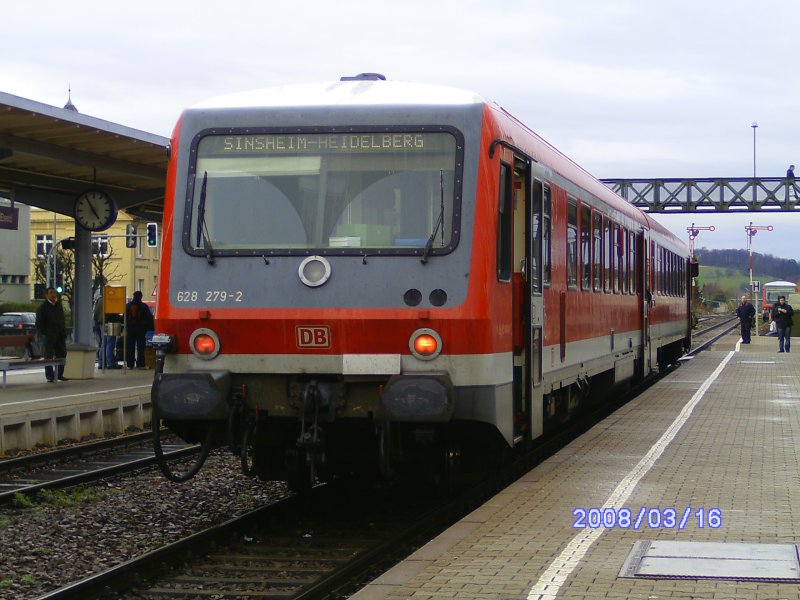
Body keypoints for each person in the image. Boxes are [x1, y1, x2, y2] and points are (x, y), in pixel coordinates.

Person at [35, 287, 67, 382]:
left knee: (62, 354)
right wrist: (44, 333)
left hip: (60, 335)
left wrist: (63, 332)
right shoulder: (43, 307)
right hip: (49, 336)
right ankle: (50, 376)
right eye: (51, 293)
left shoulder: (58, 306)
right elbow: (39, 323)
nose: (53, 295)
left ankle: (59, 374)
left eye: (54, 293)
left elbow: (62, 320)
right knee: (48, 356)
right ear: (46, 295)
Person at [125, 291, 153, 369]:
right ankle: (140, 364)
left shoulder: (127, 306)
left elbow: (124, 317)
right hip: (141, 329)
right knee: (141, 347)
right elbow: (149, 318)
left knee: (130, 346)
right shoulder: (144, 306)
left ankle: (130, 364)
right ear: (140, 297)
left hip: (130, 328)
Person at [93, 296, 121, 369]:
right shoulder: (111, 299)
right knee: (110, 343)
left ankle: (101, 363)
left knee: (103, 343)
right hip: (110, 323)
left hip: (101, 323)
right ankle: (110, 363)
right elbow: (115, 312)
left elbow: (95, 313)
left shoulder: (99, 300)